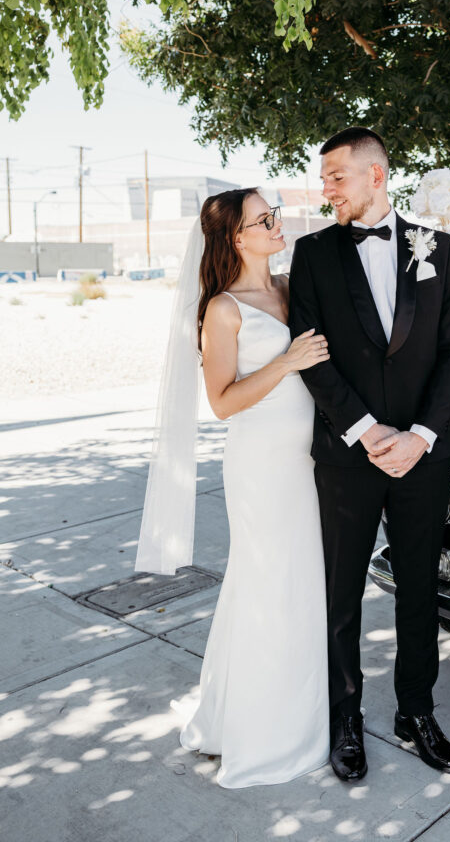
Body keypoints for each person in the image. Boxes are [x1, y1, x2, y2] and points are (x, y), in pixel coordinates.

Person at [288, 127, 450, 781]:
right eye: (324, 176)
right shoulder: (311, 253)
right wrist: (367, 431)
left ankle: (414, 712)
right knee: (340, 592)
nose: (325, 187)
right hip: (347, 453)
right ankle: (344, 721)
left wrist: (419, 435)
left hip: (424, 452)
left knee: (419, 588)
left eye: (336, 174)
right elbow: (310, 353)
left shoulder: (437, 247)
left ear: (375, 176)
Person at [135, 188, 330, 789]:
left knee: (300, 588)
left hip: (310, 461)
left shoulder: (291, 287)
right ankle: (264, 734)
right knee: (268, 587)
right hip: (261, 467)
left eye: (275, 213)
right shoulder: (224, 308)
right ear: (236, 238)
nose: (277, 223)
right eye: (263, 218)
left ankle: (285, 716)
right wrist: (285, 363)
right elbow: (221, 403)